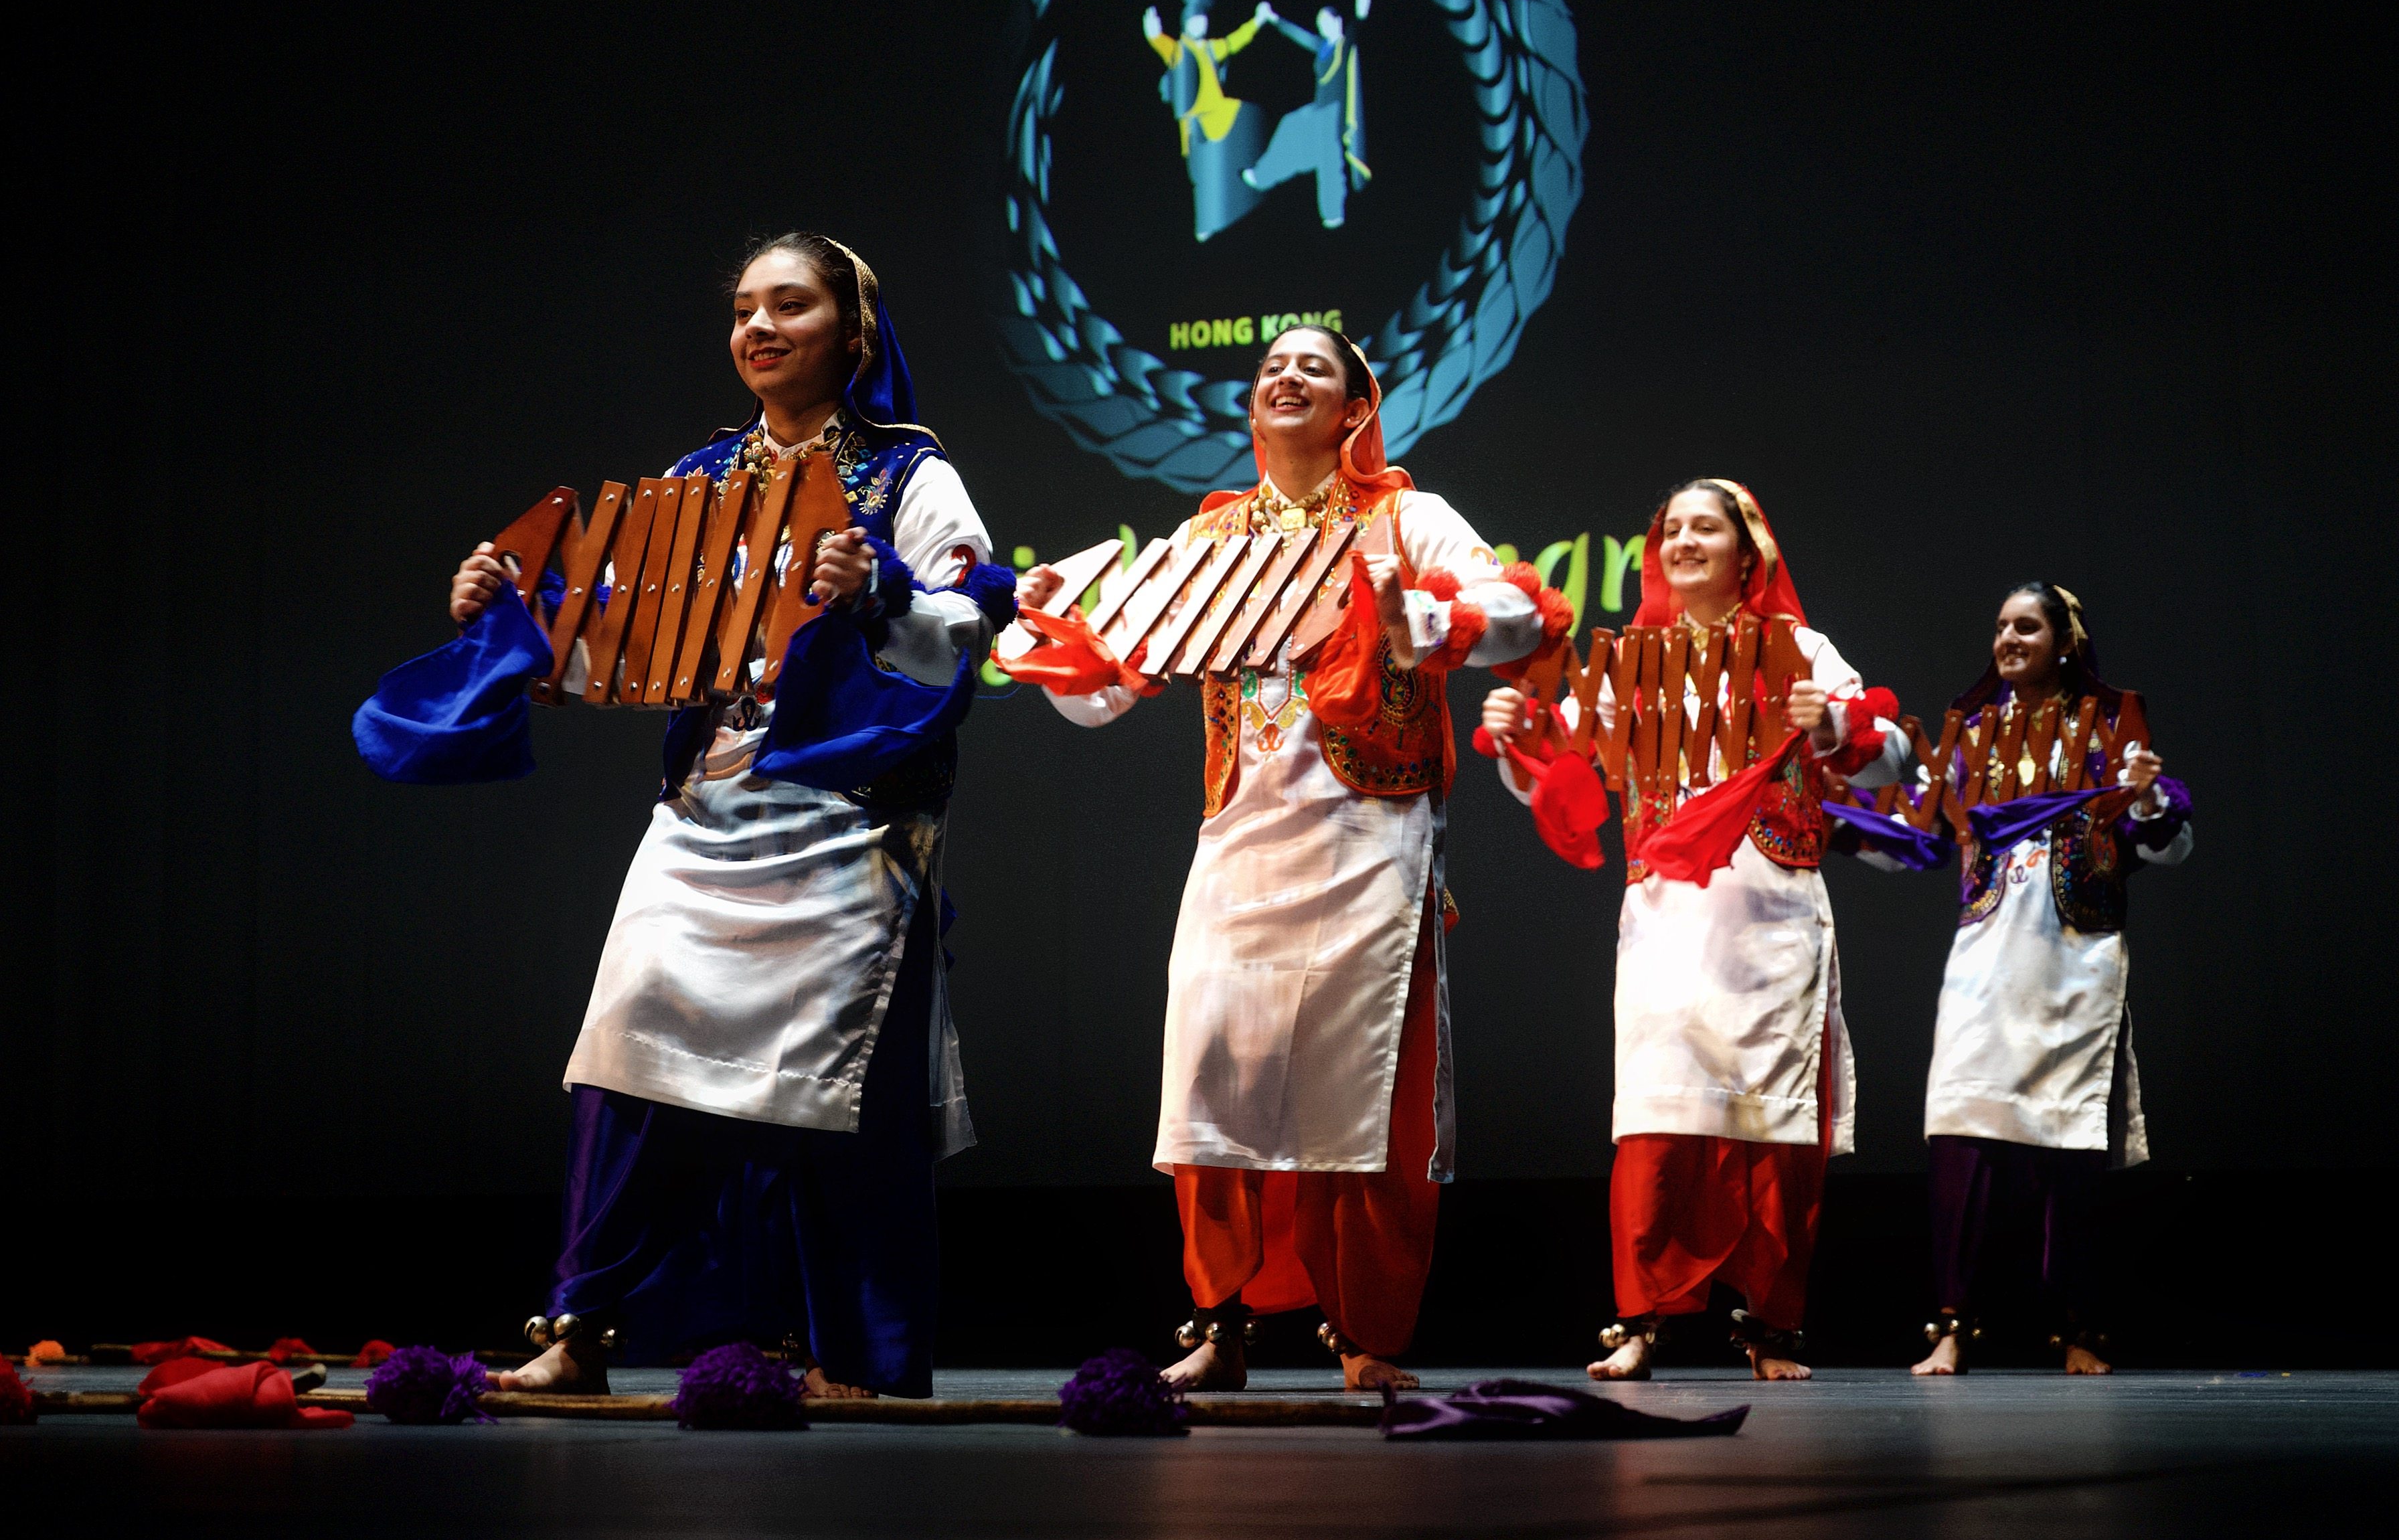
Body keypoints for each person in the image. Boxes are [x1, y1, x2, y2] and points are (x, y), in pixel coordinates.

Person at [444, 234, 1011, 1399]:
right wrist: (511, 615)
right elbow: (619, 642)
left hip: (846, 827)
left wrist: (884, 591)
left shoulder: (909, 475)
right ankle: (581, 1329)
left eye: (789, 306)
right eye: (745, 308)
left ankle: (857, 1356)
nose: (759, 326)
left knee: (830, 1094)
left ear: (853, 333)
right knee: (626, 1055)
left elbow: (968, 625)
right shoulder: (698, 479)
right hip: (705, 816)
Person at [1011, 325, 1541, 1391]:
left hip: (1368, 840)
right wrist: (1045, 638)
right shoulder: (1207, 539)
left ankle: (1366, 1334)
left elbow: (1518, 615)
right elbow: (1107, 691)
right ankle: (1219, 1322)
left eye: (1313, 367)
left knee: (1360, 1089)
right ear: (1253, 408)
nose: (1285, 376)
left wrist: (1427, 617)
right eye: (1270, 369)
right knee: (1208, 1079)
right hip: (1239, 847)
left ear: (1355, 408)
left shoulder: (1407, 518)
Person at [1480, 481, 1904, 1381]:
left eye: (1704, 527)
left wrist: (1832, 725)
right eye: (1670, 529)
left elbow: (1890, 757)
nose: (1683, 540)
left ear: (1748, 551)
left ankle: (1772, 1327)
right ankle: (1638, 1320)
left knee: (1772, 1123)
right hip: (1664, 920)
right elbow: (1565, 772)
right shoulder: (1630, 661)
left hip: (1770, 916)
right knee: (1656, 1114)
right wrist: (1517, 736)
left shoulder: (1801, 649)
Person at [1891, 584, 2190, 1376]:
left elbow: (2167, 843)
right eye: (1999, 627)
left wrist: (2146, 797)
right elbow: (1920, 830)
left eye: (2025, 626)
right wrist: (1866, 793)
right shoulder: (1970, 735)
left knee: (2067, 1142)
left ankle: (2078, 1327)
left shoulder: (2109, 730)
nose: (2007, 638)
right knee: (1959, 1133)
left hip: (2072, 955)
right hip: (1983, 956)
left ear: (2064, 641)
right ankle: (1950, 1325)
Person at [1144, 0, 1274, 242]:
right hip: (1194, 124)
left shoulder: (1211, 49)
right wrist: (1154, 34)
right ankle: (1204, 224)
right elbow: (1164, 46)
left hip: (1217, 114)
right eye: (1195, 21)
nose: (1201, 24)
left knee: (1243, 120)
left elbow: (1234, 41)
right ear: (1187, 23)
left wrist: (1258, 21)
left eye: (1203, 20)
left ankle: (1250, 184)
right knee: (1200, 174)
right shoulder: (1180, 51)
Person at [1243, 0, 1374, 228]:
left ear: (1338, 22)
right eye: (1320, 23)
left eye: (1327, 22)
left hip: (1334, 113)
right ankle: (1262, 176)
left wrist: (1360, 14)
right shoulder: (1322, 48)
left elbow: (1357, 30)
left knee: (1329, 157)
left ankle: (1334, 213)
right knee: (1290, 124)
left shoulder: (1344, 44)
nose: (1323, 27)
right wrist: (1275, 19)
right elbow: (1299, 36)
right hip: (1319, 109)